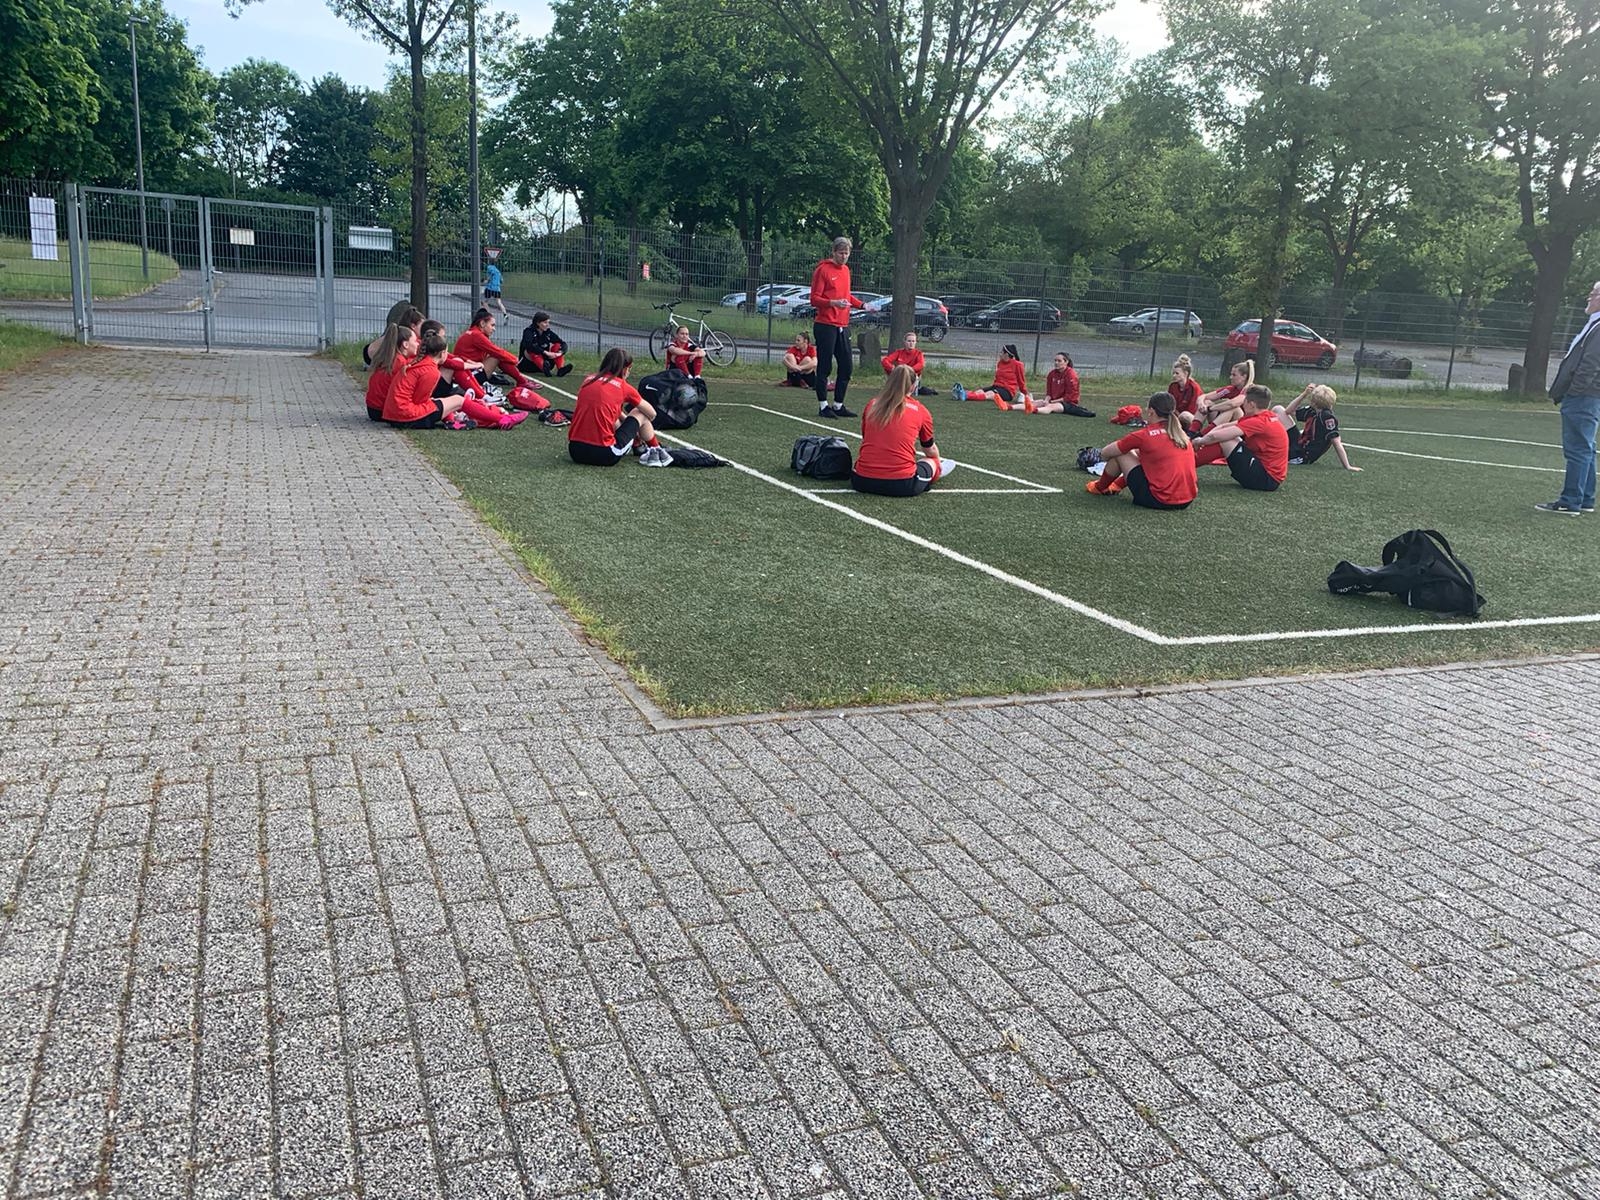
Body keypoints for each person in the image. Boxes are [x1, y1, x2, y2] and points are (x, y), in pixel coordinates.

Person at [1537, 279, 1600, 515]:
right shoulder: (1595, 325)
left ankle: (1570, 500)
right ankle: (1584, 499)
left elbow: (1591, 363)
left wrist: (1575, 390)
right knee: (1585, 448)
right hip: (1587, 395)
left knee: (1578, 449)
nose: (1589, 297)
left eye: (1594, 293)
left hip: (1584, 396)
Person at [850, 365, 955, 496]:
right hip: (902, 483)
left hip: (861, 481)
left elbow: (867, 437)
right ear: (913, 386)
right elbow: (929, 448)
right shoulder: (921, 411)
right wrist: (936, 462)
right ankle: (938, 469)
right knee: (930, 461)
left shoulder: (872, 404)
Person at [1086, 392, 1198, 510]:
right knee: (1140, 454)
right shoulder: (1181, 435)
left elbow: (1106, 453)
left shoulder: (1144, 435)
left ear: (1151, 411)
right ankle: (1116, 485)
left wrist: (1099, 455)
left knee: (1122, 453)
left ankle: (1099, 487)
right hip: (1186, 500)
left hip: (1159, 500)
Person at [569, 348, 671, 467]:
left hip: (575, 451)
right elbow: (652, 413)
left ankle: (638, 444)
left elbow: (610, 411)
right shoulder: (622, 386)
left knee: (615, 419)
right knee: (640, 412)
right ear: (625, 369)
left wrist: (631, 426)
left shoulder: (589, 379)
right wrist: (636, 426)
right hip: (605, 454)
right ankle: (656, 449)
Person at [1191, 384, 1288, 491]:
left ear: (1251, 404)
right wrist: (1203, 439)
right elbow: (1223, 427)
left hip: (1267, 479)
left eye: (1244, 401)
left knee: (1226, 440)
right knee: (1224, 437)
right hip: (1266, 474)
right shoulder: (1265, 416)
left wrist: (1199, 441)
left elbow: (1216, 436)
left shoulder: (1259, 421)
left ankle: (1187, 463)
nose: (1243, 404)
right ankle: (1188, 460)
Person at [810, 236, 865, 419]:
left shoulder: (846, 271)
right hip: (826, 325)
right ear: (834, 252)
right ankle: (823, 405)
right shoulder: (823, 270)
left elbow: (847, 296)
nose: (844, 257)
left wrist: (863, 305)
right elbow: (814, 299)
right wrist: (833, 303)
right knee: (825, 366)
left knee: (846, 366)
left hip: (843, 325)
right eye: (841, 253)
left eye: (846, 253)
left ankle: (838, 404)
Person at [383, 332, 466, 429]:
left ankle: (453, 422)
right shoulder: (430, 370)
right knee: (458, 400)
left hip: (395, 415)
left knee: (443, 402)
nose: (417, 343)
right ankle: (482, 418)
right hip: (406, 416)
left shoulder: (415, 363)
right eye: (415, 341)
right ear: (443, 353)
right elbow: (419, 401)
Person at [1275, 384, 1360, 470]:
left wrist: (1347, 466)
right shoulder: (1312, 410)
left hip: (1301, 455)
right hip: (1299, 444)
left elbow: (1336, 442)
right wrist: (1304, 394)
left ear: (1313, 402)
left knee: (1271, 453)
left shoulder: (1327, 417)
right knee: (1278, 409)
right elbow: (1288, 411)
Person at [454, 309, 530, 388]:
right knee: (497, 356)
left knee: (498, 356)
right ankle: (522, 381)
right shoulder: (477, 335)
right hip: (468, 375)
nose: (494, 329)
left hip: (466, 372)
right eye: (492, 325)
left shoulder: (473, 332)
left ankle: (522, 381)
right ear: (482, 324)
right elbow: (496, 351)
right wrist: (514, 360)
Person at [953, 344, 1032, 411]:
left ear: (1007, 354)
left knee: (990, 394)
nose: (1000, 354)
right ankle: (962, 393)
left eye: (1001, 352)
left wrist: (1026, 394)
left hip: (1007, 391)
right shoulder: (1000, 363)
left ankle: (966, 396)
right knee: (980, 391)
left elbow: (1021, 381)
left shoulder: (1018, 365)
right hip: (996, 386)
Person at [364, 323, 415, 421]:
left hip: (372, 408)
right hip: (382, 410)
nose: (417, 344)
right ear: (405, 344)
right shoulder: (400, 362)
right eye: (415, 341)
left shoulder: (389, 357)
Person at [1196, 358, 1254, 430]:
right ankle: (1192, 432)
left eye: (1234, 375)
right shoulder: (1230, 389)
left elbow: (1233, 404)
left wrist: (1210, 408)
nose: (1230, 377)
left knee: (1233, 408)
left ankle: (1205, 433)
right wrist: (1201, 404)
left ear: (1244, 377)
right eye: (1231, 374)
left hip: (1244, 424)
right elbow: (1204, 396)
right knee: (1207, 402)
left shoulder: (1250, 390)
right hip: (1229, 422)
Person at [1034, 352, 1094, 416]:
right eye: (1055, 360)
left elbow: (1069, 397)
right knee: (1036, 403)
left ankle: (1034, 410)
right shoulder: (1051, 374)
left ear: (1066, 362)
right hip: (1054, 401)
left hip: (1068, 403)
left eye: (1059, 361)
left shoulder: (1071, 374)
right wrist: (1046, 400)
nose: (1056, 363)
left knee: (1050, 407)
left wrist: (1051, 402)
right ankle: (1029, 407)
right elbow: (1049, 393)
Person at [518, 311, 573, 377]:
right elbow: (529, 346)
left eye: (548, 322)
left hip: (546, 363)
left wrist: (559, 353)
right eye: (545, 322)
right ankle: (544, 368)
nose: (547, 325)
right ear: (538, 323)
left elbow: (562, 343)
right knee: (532, 350)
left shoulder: (547, 333)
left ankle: (560, 369)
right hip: (527, 365)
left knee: (557, 345)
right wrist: (545, 352)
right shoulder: (528, 332)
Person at [1168, 354, 1204, 430]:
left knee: (1185, 415)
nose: (1174, 375)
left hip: (1190, 417)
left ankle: (1192, 431)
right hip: (1176, 415)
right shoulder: (1172, 386)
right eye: (1173, 373)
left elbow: (1192, 410)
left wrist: (1177, 415)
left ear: (1185, 374)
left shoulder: (1194, 387)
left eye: (1177, 373)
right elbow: (1170, 404)